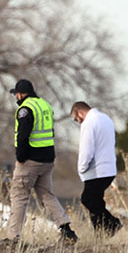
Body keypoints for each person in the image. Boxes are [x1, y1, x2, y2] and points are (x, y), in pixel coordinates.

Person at [7, 79, 78, 243]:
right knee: (47, 195)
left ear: (20, 94)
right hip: (47, 160)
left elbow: (23, 136)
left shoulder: (25, 109)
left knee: (19, 196)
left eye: (16, 95)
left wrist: (20, 158)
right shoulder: (45, 105)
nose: (16, 98)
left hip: (29, 161)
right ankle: (66, 230)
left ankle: (13, 238)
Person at [71, 101, 121, 235]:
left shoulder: (89, 123)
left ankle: (112, 224)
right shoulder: (106, 119)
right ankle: (101, 234)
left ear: (80, 113)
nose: (78, 122)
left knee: (88, 199)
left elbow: (86, 149)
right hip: (109, 168)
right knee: (96, 201)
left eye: (76, 119)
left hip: (96, 171)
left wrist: (82, 168)